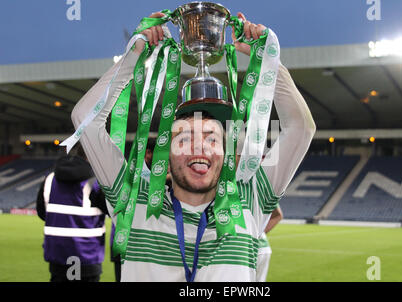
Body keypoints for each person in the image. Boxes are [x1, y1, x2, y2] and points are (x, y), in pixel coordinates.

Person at [70, 11, 315, 281]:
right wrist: (134, 56)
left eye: (212, 138)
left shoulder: (248, 202)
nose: (200, 147)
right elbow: (86, 121)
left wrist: (266, 60)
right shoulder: (132, 201)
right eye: (184, 138)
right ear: (165, 152)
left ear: (225, 153)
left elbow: (301, 127)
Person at [36, 144, 107, 282]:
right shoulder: (97, 182)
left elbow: (42, 213)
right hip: (88, 256)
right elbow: (114, 210)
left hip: (58, 256)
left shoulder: (50, 179)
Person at [256, 206, 283, 282]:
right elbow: (278, 214)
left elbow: (278, 215)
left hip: (253, 249)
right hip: (261, 248)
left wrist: (259, 233)